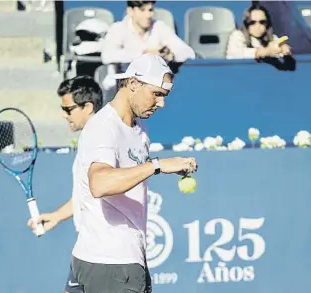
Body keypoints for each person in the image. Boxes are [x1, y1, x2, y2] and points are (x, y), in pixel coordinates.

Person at [71, 53, 198, 293]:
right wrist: (157, 165)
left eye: (165, 96)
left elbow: (126, 172)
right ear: (132, 84)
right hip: (112, 264)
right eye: (157, 94)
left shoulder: (140, 128)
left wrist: (163, 167)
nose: (162, 104)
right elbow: (99, 184)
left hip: (109, 257)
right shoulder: (104, 127)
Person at [27, 75, 104, 293]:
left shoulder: (100, 138)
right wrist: (56, 217)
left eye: (68, 109)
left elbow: (104, 188)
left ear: (87, 107)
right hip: (88, 246)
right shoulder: (90, 137)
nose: (64, 115)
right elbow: (86, 193)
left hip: (101, 248)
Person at [101, 1, 195, 64]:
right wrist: (144, 54)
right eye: (142, 10)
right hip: (125, 84)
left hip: (154, 83)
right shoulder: (118, 28)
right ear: (130, 11)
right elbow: (107, 56)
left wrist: (171, 55)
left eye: (150, 10)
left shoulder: (159, 26)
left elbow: (189, 53)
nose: (148, 15)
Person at [226, 3, 292, 59]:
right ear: (246, 23)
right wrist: (264, 52)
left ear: (267, 23)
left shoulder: (273, 38)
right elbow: (234, 55)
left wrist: (284, 50)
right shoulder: (237, 35)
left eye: (262, 22)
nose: (258, 26)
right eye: (252, 22)